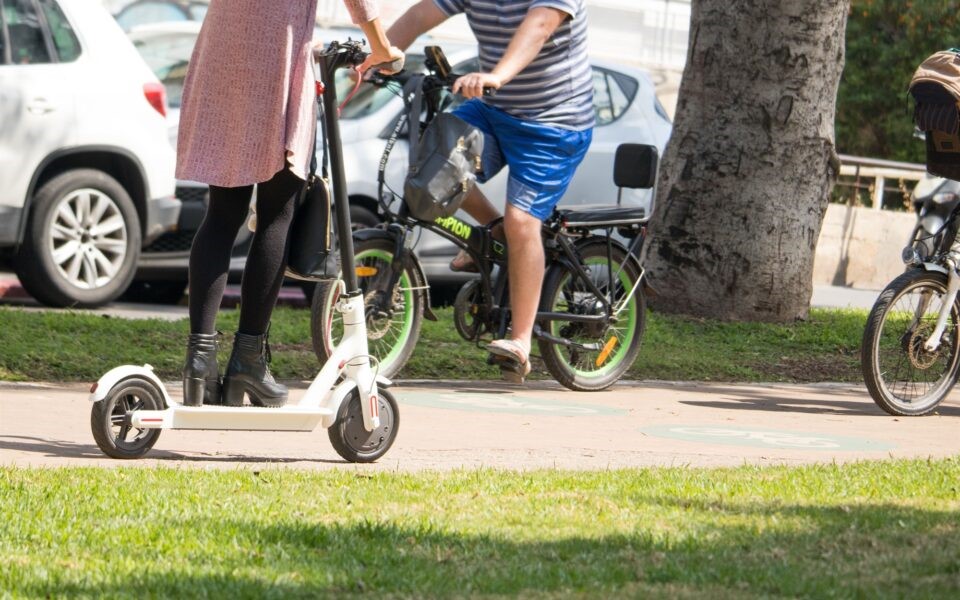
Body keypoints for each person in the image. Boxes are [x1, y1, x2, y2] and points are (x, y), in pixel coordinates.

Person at [177, 0, 403, 408]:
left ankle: (199, 361)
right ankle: (247, 360)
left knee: (221, 215)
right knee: (276, 216)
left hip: (223, 55)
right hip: (276, 65)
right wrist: (382, 46)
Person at [387, 0, 594, 382]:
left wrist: (496, 75)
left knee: (522, 222)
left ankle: (519, 342)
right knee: (437, 168)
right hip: (494, 111)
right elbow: (419, 15)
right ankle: (494, 230)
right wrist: (376, 55)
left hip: (555, 125)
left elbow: (540, 27)